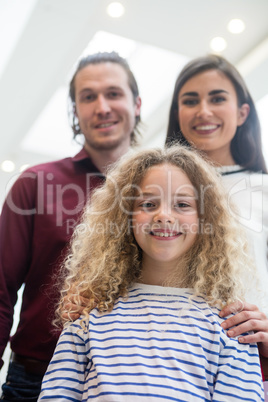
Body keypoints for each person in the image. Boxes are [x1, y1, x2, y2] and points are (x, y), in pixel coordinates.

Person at [38, 145, 264, 401]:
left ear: (207, 219)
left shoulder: (230, 326)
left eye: (182, 204)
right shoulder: (89, 317)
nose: (164, 215)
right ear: (126, 216)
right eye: (148, 203)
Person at [0, 51, 141, 401]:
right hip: (34, 380)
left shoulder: (164, 191)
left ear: (136, 104)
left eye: (113, 93)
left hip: (129, 383)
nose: (102, 106)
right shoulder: (35, 183)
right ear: (75, 111)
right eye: (88, 97)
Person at [165, 54, 268, 376]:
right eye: (191, 100)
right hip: (170, 360)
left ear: (242, 113)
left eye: (217, 98)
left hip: (246, 363)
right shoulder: (158, 194)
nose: (204, 111)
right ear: (178, 114)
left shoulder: (262, 189)